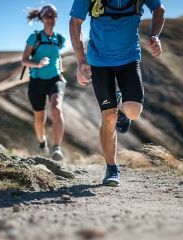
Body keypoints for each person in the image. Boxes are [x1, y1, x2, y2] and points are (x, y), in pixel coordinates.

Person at [69, 0, 165, 186]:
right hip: (99, 61)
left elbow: (159, 9)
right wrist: (81, 61)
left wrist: (154, 35)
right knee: (108, 117)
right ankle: (112, 168)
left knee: (133, 112)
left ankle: (120, 104)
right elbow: (75, 23)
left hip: (129, 59)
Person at [22, 4, 66, 160]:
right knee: (40, 120)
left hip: (55, 79)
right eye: (47, 15)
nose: (51, 18)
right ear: (41, 18)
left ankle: (57, 148)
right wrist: (38, 64)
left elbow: (58, 56)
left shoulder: (59, 39)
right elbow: (24, 60)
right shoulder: (34, 37)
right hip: (37, 82)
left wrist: (61, 72)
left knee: (56, 109)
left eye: (53, 15)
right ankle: (42, 144)